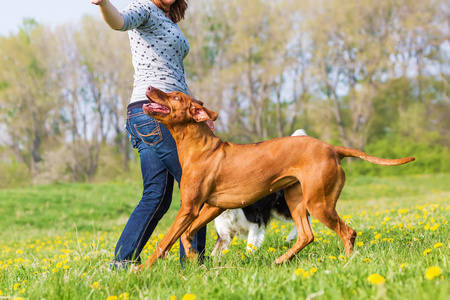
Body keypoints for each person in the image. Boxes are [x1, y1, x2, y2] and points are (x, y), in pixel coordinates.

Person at [90, 0, 207, 267]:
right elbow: (119, 21)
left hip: (153, 114)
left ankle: (122, 263)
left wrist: (194, 108)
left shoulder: (166, 18)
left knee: (156, 194)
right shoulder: (143, 7)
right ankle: (193, 265)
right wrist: (103, 4)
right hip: (156, 113)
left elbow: (173, 74)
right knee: (197, 188)